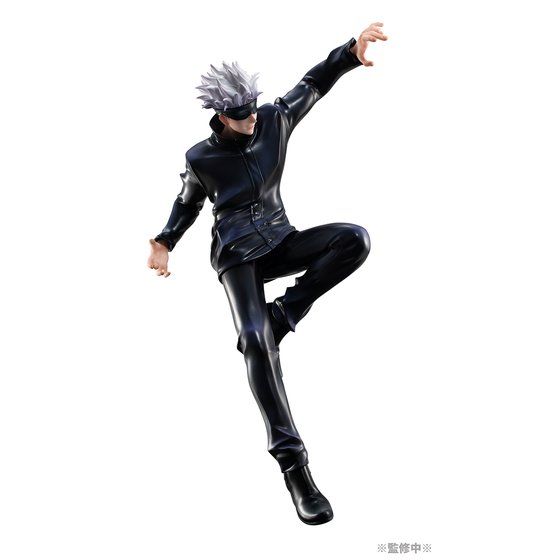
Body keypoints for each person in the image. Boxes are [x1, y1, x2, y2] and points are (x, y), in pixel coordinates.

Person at [148, 22, 388, 525]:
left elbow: (312, 84)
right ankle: (295, 469)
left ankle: (285, 313)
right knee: (256, 343)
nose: (252, 117)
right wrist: (165, 241)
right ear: (221, 116)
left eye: (253, 107)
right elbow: (188, 202)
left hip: (280, 240)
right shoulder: (201, 157)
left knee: (354, 239)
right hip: (237, 257)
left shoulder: (274, 120)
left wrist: (350, 51)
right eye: (241, 114)